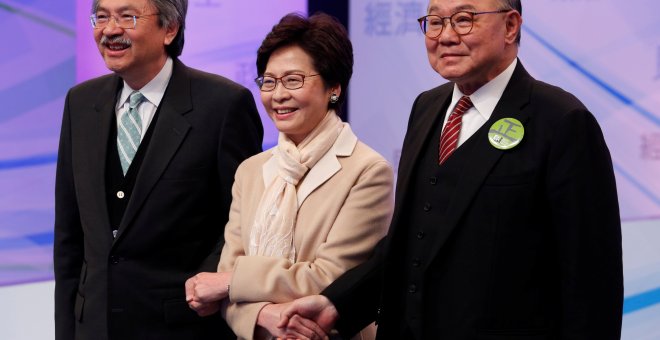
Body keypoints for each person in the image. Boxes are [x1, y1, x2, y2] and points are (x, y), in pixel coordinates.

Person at [279, 0, 623, 339]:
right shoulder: (427, 107)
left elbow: (592, 282)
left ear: (511, 25)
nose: (444, 36)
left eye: (463, 19)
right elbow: (411, 240)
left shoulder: (561, 121)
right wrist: (336, 303)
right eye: (435, 21)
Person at [53, 0, 263, 339]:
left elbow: (243, 224)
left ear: (170, 28)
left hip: (182, 326)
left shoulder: (223, 105)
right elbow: (69, 236)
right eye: (102, 16)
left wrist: (205, 288)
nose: (109, 30)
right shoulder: (80, 103)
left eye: (127, 16)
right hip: (92, 327)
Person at [184, 13, 394, 340]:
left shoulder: (367, 170)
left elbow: (326, 280)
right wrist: (266, 315)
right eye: (269, 81)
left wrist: (231, 282)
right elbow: (222, 292)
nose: (277, 94)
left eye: (293, 80)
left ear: (334, 88)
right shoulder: (251, 171)